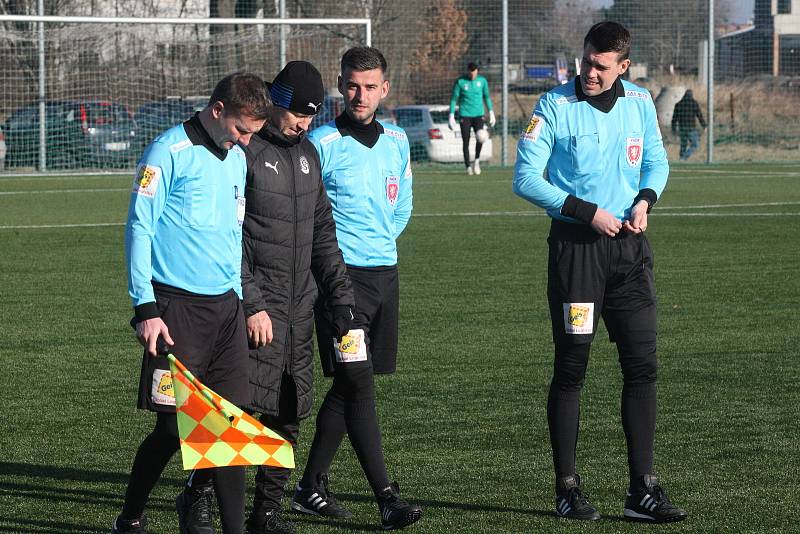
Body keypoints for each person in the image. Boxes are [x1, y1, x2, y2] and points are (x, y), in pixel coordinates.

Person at [512, 22, 688, 523]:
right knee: (572, 369)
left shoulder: (639, 103)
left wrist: (646, 199)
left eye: (601, 66)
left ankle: (642, 490)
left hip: (630, 254)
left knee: (643, 365)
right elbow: (525, 179)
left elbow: (656, 162)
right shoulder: (553, 106)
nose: (589, 72)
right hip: (577, 253)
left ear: (623, 67)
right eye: (586, 61)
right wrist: (584, 210)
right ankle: (567, 488)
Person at [114, 72, 269, 534]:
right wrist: (146, 308)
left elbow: (233, 233)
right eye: (242, 130)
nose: (245, 141)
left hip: (225, 311)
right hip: (175, 313)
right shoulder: (167, 152)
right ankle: (130, 518)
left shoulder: (236, 158)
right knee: (171, 431)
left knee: (228, 425)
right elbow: (139, 228)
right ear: (218, 110)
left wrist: (241, 303)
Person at [291, 46, 422, 531]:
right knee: (358, 384)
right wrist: (331, 269)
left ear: (385, 89)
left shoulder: (397, 140)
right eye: (351, 85)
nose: (360, 95)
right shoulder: (321, 143)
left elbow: (402, 205)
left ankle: (309, 487)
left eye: (369, 87)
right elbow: (305, 216)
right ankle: (386, 498)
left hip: (384, 276)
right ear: (339, 84)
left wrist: (380, 242)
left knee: (351, 387)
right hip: (339, 284)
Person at [239, 61, 355, 534]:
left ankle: (267, 510)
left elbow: (322, 232)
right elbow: (228, 236)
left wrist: (340, 294)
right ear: (276, 102)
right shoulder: (244, 151)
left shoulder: (308, 155)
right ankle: (200, 497)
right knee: (236, 413)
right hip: (252, 311)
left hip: (297, 309)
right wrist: (251, 302)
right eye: (297, 115)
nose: (304, 125)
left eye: (311, 117)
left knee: (289, 411)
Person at [448, 61, 496, 175]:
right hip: (465, 115)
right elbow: (454, 99)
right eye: (470, 72)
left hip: (479, 115)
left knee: (481, 138)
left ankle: (477, 162)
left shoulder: (482, 81)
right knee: (466, 141)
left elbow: (487, 97)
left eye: (474, 72)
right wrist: (451, 115)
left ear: (477, 71)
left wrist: (491, 112)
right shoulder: (460, 82)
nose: (472, 74)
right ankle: (468, 166)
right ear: (468, 71)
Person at [671, 89, 706, 160]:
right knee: (695, 144)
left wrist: (673, 128)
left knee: (683, 144)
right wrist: (704, 125)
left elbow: (674, 118)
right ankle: (684, 156)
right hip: (691, 128)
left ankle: (681, 157)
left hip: (682, 128)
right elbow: (699, 115)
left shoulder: (678, 104)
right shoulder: (694, 103)